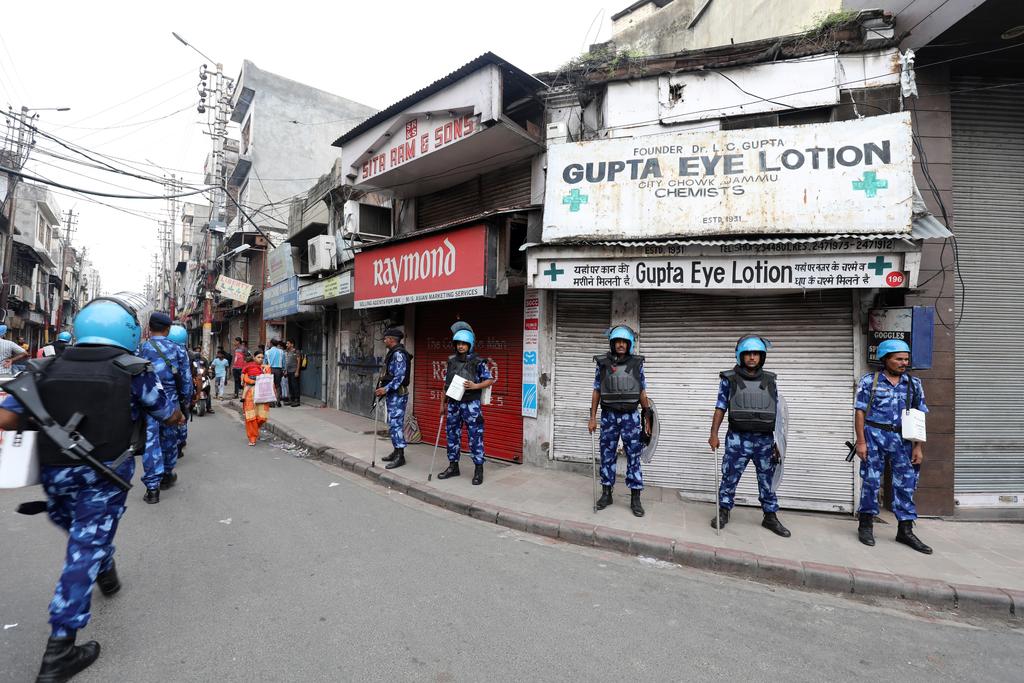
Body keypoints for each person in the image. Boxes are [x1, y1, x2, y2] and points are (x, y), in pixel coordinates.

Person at [0, 295, 185, 682]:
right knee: (84, 547)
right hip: (104, 476)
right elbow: (167, 414)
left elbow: (6, 418)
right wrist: (177, 416)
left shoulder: (43, 367)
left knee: (84, 535)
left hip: (54, 475)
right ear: (128, 332)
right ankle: (59, 650)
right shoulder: (133, 369)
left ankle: (105, 566)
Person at [708, 335, 791, 537]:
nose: (752, 357)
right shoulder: (729, 379)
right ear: (740, 356)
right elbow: (720, 407)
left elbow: (777, 413)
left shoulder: (770, 380)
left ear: (762, 356)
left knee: (767, 480)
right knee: (729, 476)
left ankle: (770, 516)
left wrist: (778, 443)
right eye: (748, 354)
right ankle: (723, 511)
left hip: (764, 440)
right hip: (738, 438)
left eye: (756, 354)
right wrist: (713, 434)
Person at [854, 339, 932, 554]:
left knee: (906, 484)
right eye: (899, 359)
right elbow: (860, 412)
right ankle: (866, 525)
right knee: (870, 482)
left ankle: (905, 531)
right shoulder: (870, 381)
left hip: (903, 440)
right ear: (885, 359)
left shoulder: (914, 384)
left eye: (906, 359)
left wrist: (918, 447)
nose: (904, 363)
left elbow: (919, 416)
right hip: (874, 437)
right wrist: (861, 442)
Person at [588, 325, 651, 517]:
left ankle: (635, 498)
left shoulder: (637, 364)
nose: (621, 345)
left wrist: (647, 416)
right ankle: (606, 493)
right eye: (617, 342)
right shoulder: (603, 364)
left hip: (631, 416)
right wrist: (592, 418)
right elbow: (597, 390)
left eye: (624, 342)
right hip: (609, 416)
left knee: (634, 456)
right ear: (612, 343)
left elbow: (642, 391)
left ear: (629, 344)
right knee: (607, 454)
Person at [138, 313, 194, 503]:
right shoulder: (178, 349)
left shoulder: (141, 349)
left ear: (149, 328)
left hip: (148, 403)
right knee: (169, 440)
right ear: (168, 329)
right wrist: (185, 402)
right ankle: (167, 475)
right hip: (171, 404)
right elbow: (186, 380)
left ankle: (152, 489)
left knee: (151, 443)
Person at [437, 322, 494, 485]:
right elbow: (445, 385)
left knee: (475, 436)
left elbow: (490, 380)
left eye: (464, 343)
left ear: (470, 345)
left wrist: (476, 386)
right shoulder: (451, 361)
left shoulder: (478, 362)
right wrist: (442, 404)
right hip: (453, 404)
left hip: (471, 405)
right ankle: (453, 466)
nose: (460, 346)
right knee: (452, 435)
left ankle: (478, 469)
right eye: (458, 343)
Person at [375, 328, 412, 470]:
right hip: (393, 394)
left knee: (396, 424)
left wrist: (385, 389)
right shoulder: (393, 353)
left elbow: (400, 377)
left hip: (398, 394)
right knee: (393, 424)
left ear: (391, 339)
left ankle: (400, 456)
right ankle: (396, 451)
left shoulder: (398, 354)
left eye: (385, 338)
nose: (384, 341)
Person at [168, 325, 192, 459]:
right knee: (180, 420)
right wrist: (186, 399)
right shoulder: (182, 352)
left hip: (154, 397)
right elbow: (186, 378)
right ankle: (178, 447)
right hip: (175, 396)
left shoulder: (148, 348)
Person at [241, 351, 272, 446]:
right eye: (258, 357)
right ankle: (252, 438)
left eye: (262, 357)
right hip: (250, 394)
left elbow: (269, 379)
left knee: (262, 418)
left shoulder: (266, 368)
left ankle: (255, 430)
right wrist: (255, 381)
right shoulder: (248, 366)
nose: (261, 359)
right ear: (254, 357)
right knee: (251, 417)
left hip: (263, 394)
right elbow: (245, 378)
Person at [265, 339, 285, 407]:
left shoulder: (267, 352)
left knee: (271, 386)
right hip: (279, 370)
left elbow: (265, 363)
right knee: (278, 385)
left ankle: (271, 403)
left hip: (270, 370)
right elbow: (283, 362)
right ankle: (278, 401)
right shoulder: (281, 352)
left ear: (271, 344)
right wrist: (284, 370)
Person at [284, 339, 302, 407]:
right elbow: (287, 362)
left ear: (292, 344)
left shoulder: (296, 351)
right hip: (289, 371)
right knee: (290, 386)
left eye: (288, 343)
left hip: (294, 371)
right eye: (286, 343)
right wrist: (286, 370)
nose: (286, 345)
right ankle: (291, 400)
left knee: (295, 386)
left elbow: (299, 362)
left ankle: (297, 401)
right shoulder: (287, 351)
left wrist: (297, 371)